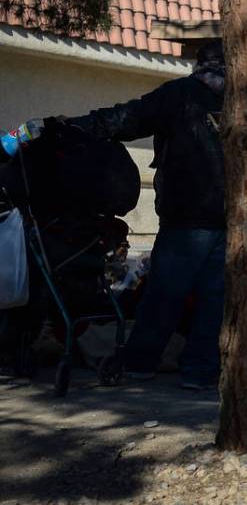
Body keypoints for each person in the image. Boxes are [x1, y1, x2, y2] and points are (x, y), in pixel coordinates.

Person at [24, 41, 227, 389]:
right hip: (231, 217)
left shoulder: (179, 94)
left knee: (164, 295)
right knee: (215, 301)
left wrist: (68, 126)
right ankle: (201, 371)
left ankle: (139, 363)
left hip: (184, 215)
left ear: (199, 65)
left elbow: (125, 119)